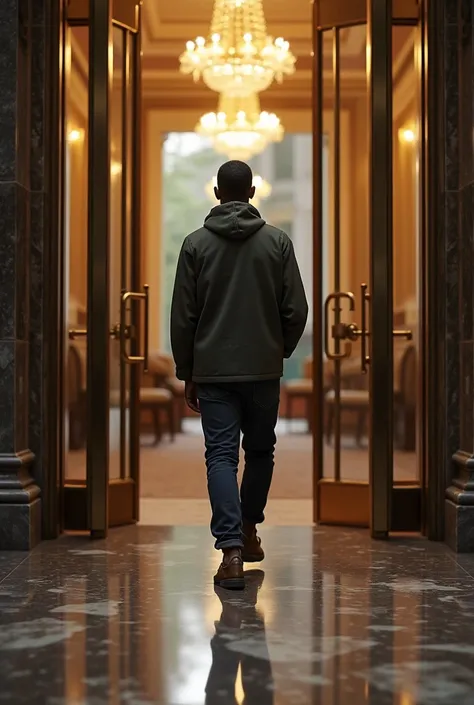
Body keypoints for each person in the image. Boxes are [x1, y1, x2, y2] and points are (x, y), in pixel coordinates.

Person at [170, 160, 308, 590]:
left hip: (212, 372)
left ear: (216, 192)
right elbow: (296, 310)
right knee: (262, 451)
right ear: (251, 192)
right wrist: (276, 350)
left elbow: (183, 317)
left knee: (221, 456)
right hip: (263, 370)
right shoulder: (278, 242)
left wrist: (187, 371)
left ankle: (231, 552)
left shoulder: (194, 245)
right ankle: (248, 531)